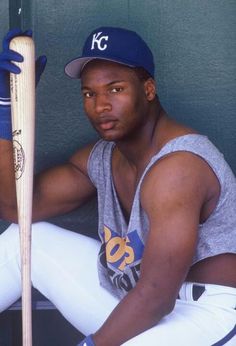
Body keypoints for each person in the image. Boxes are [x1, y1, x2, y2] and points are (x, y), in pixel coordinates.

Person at [0, 26, 235, 346]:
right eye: (89, 93)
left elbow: (156, 297)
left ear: (148, 89)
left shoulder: (179, 168)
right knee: (26, 240)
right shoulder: (101, 158)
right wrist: (4, 113)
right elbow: (18, 208)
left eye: (116, 89)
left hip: (208, 314)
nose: (100, 105)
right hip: (136, 300)